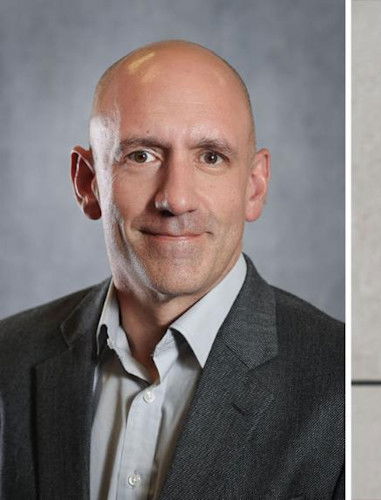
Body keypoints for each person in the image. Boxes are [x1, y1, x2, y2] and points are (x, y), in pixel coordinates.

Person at [0, 40, 344, 498]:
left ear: (254, 186)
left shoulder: (337, 388)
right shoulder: (8, 360)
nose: (176, 199)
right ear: (88, 183)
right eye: (141, 156)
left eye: (210, 157)